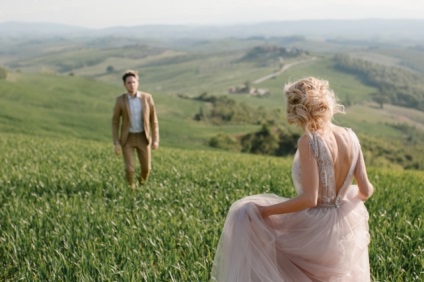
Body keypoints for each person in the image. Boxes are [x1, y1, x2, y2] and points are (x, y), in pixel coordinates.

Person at [211, 77, 374, 281]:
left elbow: (309, 199)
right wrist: (341, 198)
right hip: (344, 230)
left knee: (244, 214)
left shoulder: (310, 142)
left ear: (297, 110)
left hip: (315, 232)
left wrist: (264, 211)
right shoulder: (351, 136)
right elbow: (365, 191)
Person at [112, 70, 159, 189]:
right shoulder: (120, 100)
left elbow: (153, 120)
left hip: (143, 137)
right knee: (130, 168)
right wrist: (116, 143)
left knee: (146, 168)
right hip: (128, 138)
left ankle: (141, 186)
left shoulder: (147, 98)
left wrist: (155, 140)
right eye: (128, 83)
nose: (131, 85)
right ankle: (131, 189)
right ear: (124, 85)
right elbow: (115, 122)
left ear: (138, 83)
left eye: (133, 82)